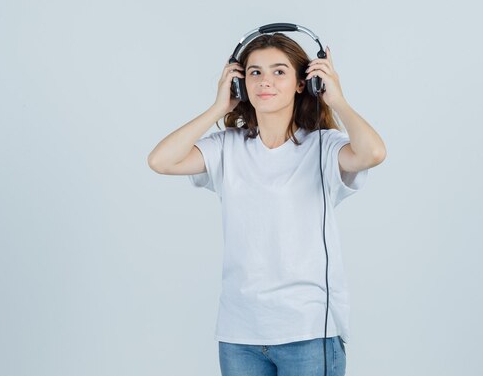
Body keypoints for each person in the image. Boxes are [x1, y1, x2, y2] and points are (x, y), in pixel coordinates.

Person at [147, 33, 386, 376]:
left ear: (304, 84)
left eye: (278, 72)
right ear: (240, 84)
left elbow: (373, 153)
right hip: (239, 334)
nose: (265, 82)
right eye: (254, 73)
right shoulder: (227, 147)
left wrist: (339, 102)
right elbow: (161, 161)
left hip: (307, 330)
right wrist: (217, 109)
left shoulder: (324, 146)